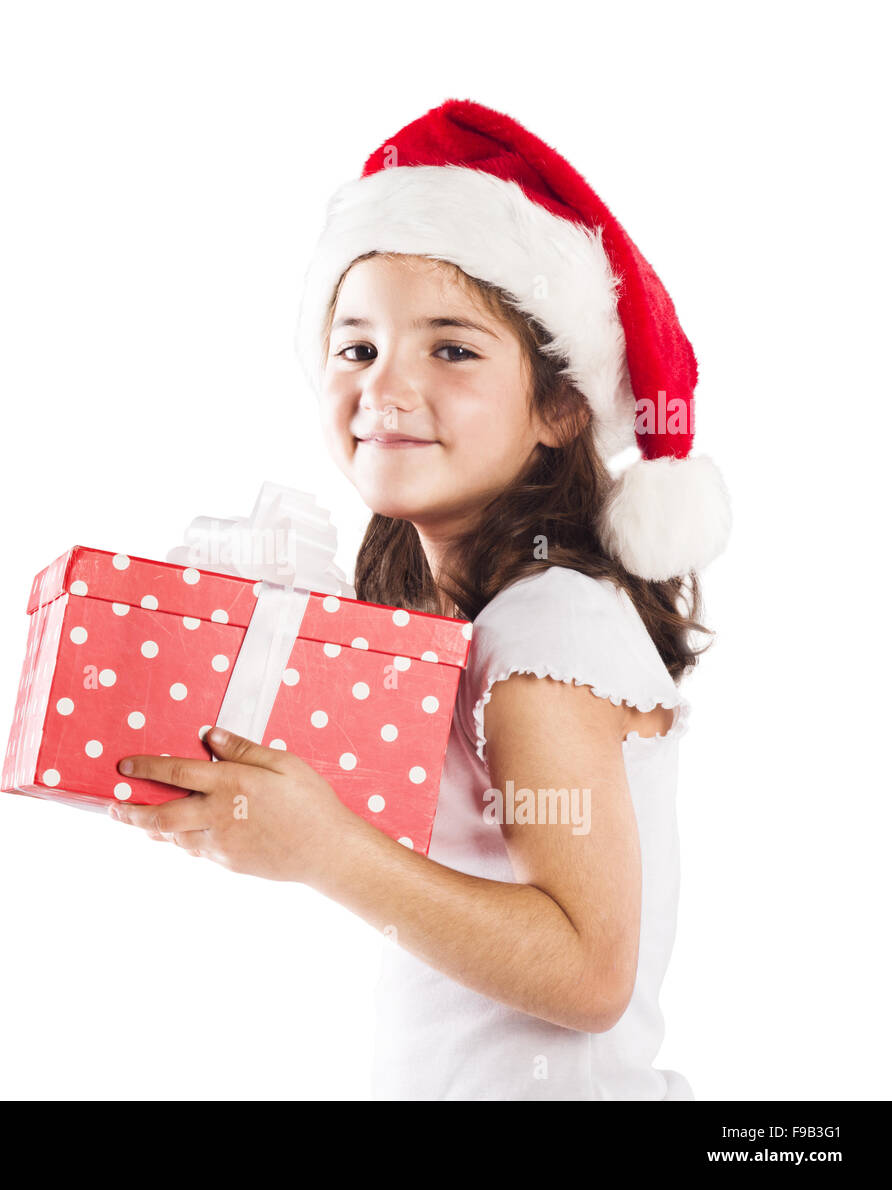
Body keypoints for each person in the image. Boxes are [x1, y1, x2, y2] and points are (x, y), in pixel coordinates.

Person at [110, 98, 730, 1100]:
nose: (384, 386)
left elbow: (585, 972)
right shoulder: (485, 616)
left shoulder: (545, 626)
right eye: (355, 348)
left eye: (451, 348)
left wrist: (322, 848)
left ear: (561, 403)